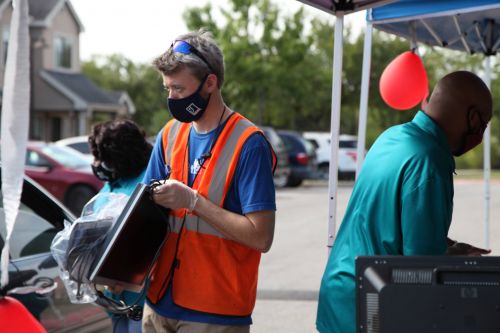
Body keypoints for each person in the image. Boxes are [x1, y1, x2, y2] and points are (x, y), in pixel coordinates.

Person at [316, 70, 493, 333]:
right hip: (371, 303)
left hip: (340, 292)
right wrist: (453, 259)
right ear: (473, 117)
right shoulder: (429, 160)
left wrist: (449, 247)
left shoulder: (392, 137)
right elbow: (422, 264)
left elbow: (386, 219)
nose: (480, 134)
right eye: (484, 125)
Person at [141, 30, 277, 333]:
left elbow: (261, 237)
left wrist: (193, 202)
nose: (172, 98)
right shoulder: (170, 134)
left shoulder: (249, 143)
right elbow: (143, 211)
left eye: (178, 88)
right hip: (159, 301)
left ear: (210, 83)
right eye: (167, 89)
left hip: (214, 312)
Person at [89, 119, 153, 333]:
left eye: (104, 159)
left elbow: (150, 238)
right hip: (113, 300)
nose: (98, 165)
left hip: (140, 300)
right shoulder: (115, 181)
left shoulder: (149, 182)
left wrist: (121, 276)